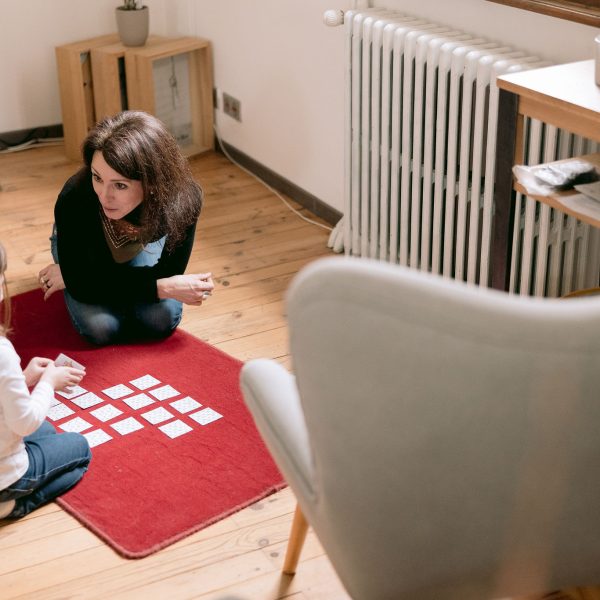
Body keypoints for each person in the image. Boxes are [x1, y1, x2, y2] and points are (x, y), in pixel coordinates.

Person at [38, 110, 214, 346]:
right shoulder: (75, 197)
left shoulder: (184, 199)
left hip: (133, 246)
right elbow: (83, 287)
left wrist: (86, 280)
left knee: (159, 319)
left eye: (120, 185)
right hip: (86, 245)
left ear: (153, 183)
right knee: (100, 327)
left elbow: (168, 271)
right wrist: (164, 287)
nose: (104, 196)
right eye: (97, 177)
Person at [0, 242, 91, 520]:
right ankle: (11, 506)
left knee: (48, 431)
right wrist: (48, 383)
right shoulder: (2, 353)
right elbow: (24, 423)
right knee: (80, 448)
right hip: (6, 477)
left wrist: (24, 378)